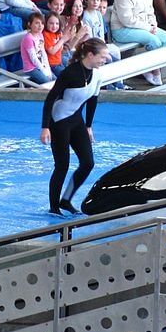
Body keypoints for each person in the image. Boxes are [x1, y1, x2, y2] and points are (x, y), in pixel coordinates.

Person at [40, 37, 109, 215]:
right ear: (90, 55)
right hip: (59, 121)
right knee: (62, 166)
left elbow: (93, 99)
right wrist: (45, 127)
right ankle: (54, 208)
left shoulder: (98, 74)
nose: (105, 60)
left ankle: (66, 200)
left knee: (88, 163)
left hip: (76, 120)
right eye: (102, 56)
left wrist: (88, 126)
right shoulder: (70, 73)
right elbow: (50, 98)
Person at [111, 0, 166, 85]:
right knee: (154, 41)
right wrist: (148, 28)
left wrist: (153, 24)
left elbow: (151, 12)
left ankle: (149, 69)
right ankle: (155, 72)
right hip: (122, 29)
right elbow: (127, 20)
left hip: (143, 27)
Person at [21, 12, 56, 84]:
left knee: (56, 80)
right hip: (31, 68)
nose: (40, 26)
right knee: (48, 83)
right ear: (29, 24)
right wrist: (44, 71)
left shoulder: (40, 35)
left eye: (42, 23)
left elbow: (43, 53)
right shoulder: (28, 38)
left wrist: (48, 69)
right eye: (37, 23)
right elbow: (33, 58)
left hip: (41, 64)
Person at [43, 10, 70, 76]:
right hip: (52, 65)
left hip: (58, 62)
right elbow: (51, 51)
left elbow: (61, 49)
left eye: (57, 23)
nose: (54, 26)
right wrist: (62, 40)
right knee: (66, 76)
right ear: (46, 23)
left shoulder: (57, 33)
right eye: (51, 23)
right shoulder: (46, 34)